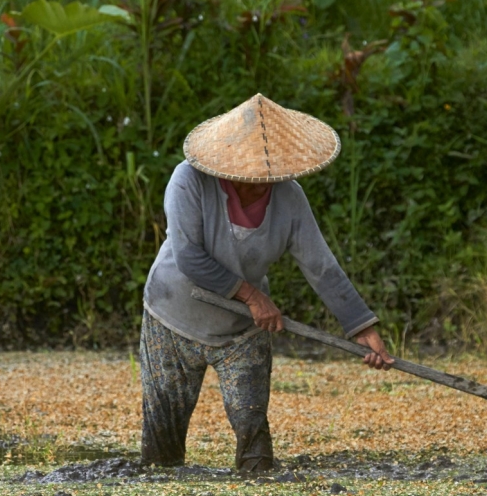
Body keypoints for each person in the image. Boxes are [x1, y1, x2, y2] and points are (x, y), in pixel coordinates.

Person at [139, 94, 394, 471]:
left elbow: (320, 265)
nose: (262, 186)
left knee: (254, 438)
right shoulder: (188, 181)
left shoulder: (289, 197)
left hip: (241, 329)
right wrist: (251, 295)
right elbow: (190, 256)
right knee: (162, 451)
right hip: (173, 316)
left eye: (269, 178)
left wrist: (362, 326)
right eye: (253, 179)